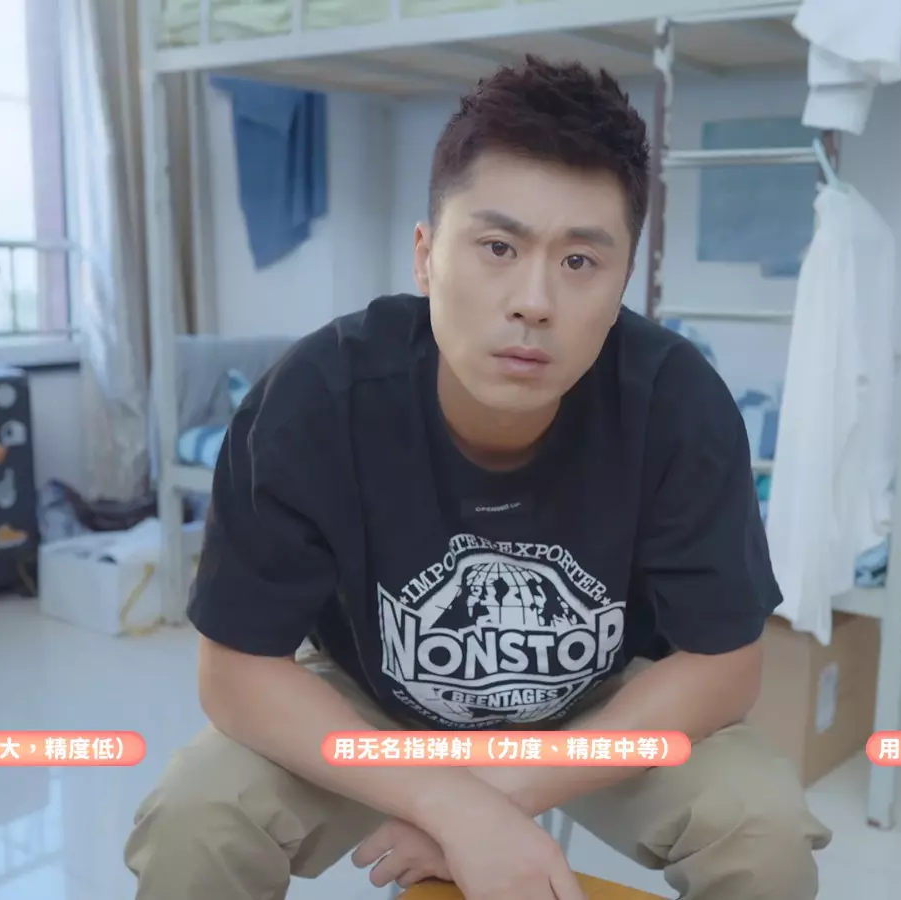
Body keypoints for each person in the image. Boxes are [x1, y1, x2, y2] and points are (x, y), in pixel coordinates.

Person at [124, 55, 832, 900]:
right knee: (196, 818)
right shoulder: (313, 401)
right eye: (498, 247)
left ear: (623, 286)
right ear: (425, 257)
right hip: (373, 692)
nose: (534, 300)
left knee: (765, 833)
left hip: (596, 701)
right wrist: (444, 801)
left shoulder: (677, 405)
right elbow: (234, 671)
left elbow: (725, 665)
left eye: (580, 262)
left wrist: (504, 791)